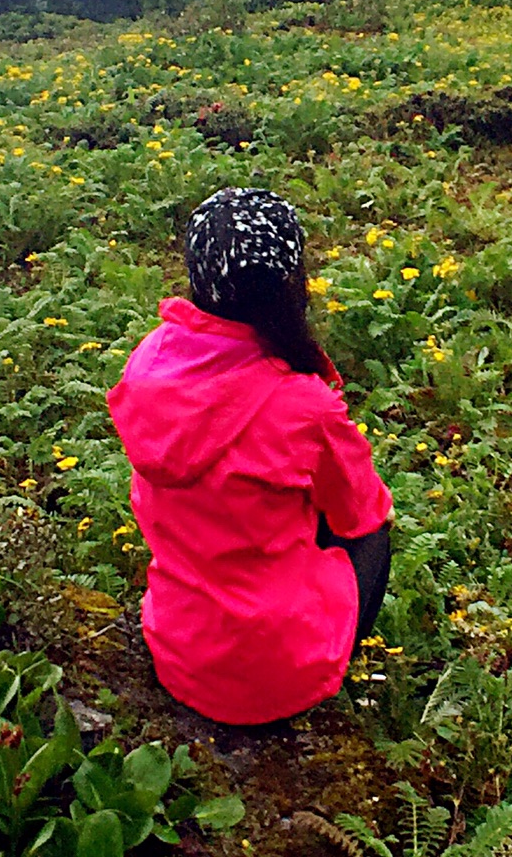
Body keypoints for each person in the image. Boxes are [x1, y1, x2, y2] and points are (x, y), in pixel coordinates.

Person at [108, 188, 392, 726]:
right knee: (371, 527)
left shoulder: (152, 363)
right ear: (292, 282)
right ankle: (327, 671)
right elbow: (362, 513)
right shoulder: (303, 407)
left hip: (180, 652)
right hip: (278, 673)